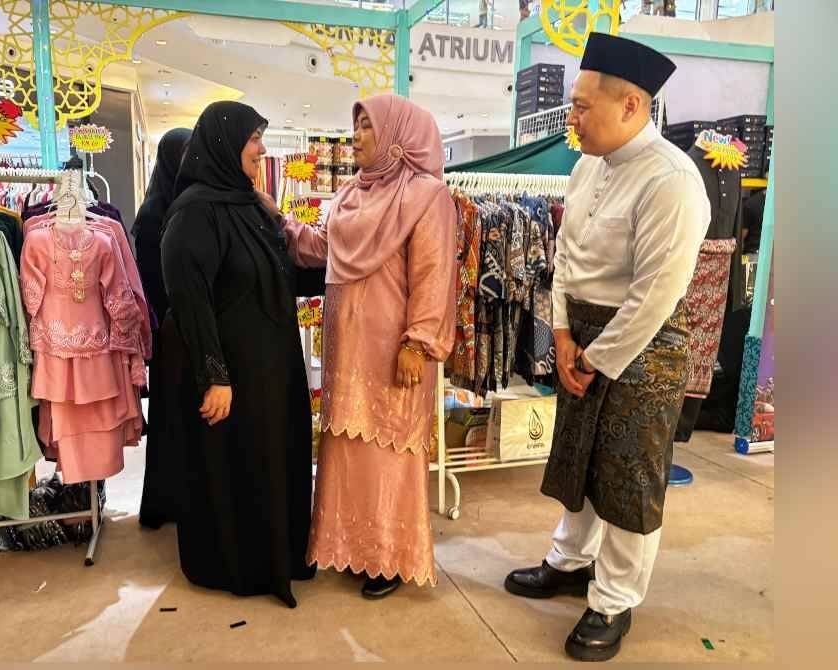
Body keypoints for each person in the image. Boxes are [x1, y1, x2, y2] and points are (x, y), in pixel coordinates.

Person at [502, 33, 709, 662]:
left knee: (628, 478)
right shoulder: (589, 165)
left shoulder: (672, 181)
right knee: (578, 460)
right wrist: (562, 334)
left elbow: (655, 294)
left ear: (632, 106)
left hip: (643, 347)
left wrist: (597, 356)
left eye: (583, 105)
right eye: (573, 103)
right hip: (581, 337)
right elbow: (565, 258)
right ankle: (569, 562)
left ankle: (613, 601)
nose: (572, 117)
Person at [268, 94, 456, 599]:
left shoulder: (427, 196)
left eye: (367, 126)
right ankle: (353, 547)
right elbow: (321, 247)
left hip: (395, 349)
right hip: (347, 347)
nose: (356, 136)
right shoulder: (350, 193)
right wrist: (277, 221)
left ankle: (388, 559)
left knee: (388, 448)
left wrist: (418, 341)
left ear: (397, 135)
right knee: (350, 446)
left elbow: (435, 275)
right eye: (355, 126)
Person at [160, 101, 320, 608]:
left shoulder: (250, 207)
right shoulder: (193, 213)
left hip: (274, 369)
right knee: (238, 466)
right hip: (232, 375)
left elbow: (281, 273)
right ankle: (236, 565)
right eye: (254, 139)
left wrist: (348, 272)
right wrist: (215, 376)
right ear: (226, 144)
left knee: (275, 459)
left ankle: (282, 556)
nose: (262, 148)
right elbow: (190, 300)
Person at [134, 127, 192, 530]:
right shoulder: (155, 211)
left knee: (182, 416)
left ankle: (179, 497)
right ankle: (163, 503)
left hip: (182, 324)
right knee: (172, 415)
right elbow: (152, 282)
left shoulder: (179, 203)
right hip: (170, 328)